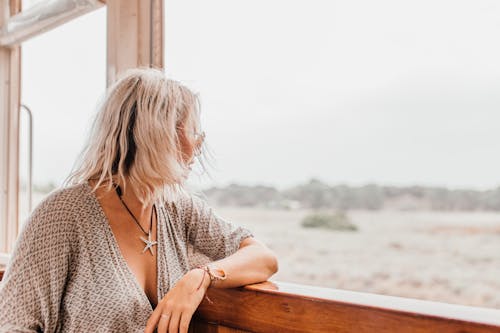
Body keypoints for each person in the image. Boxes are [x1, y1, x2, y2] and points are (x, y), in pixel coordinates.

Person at [0, 68, 279, 333]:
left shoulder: (178, 208)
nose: (199, 144)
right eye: (195, 132)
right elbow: (12, 325)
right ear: (160, 135)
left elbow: (263, 259)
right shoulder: (62, 214)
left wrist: (201, 276)